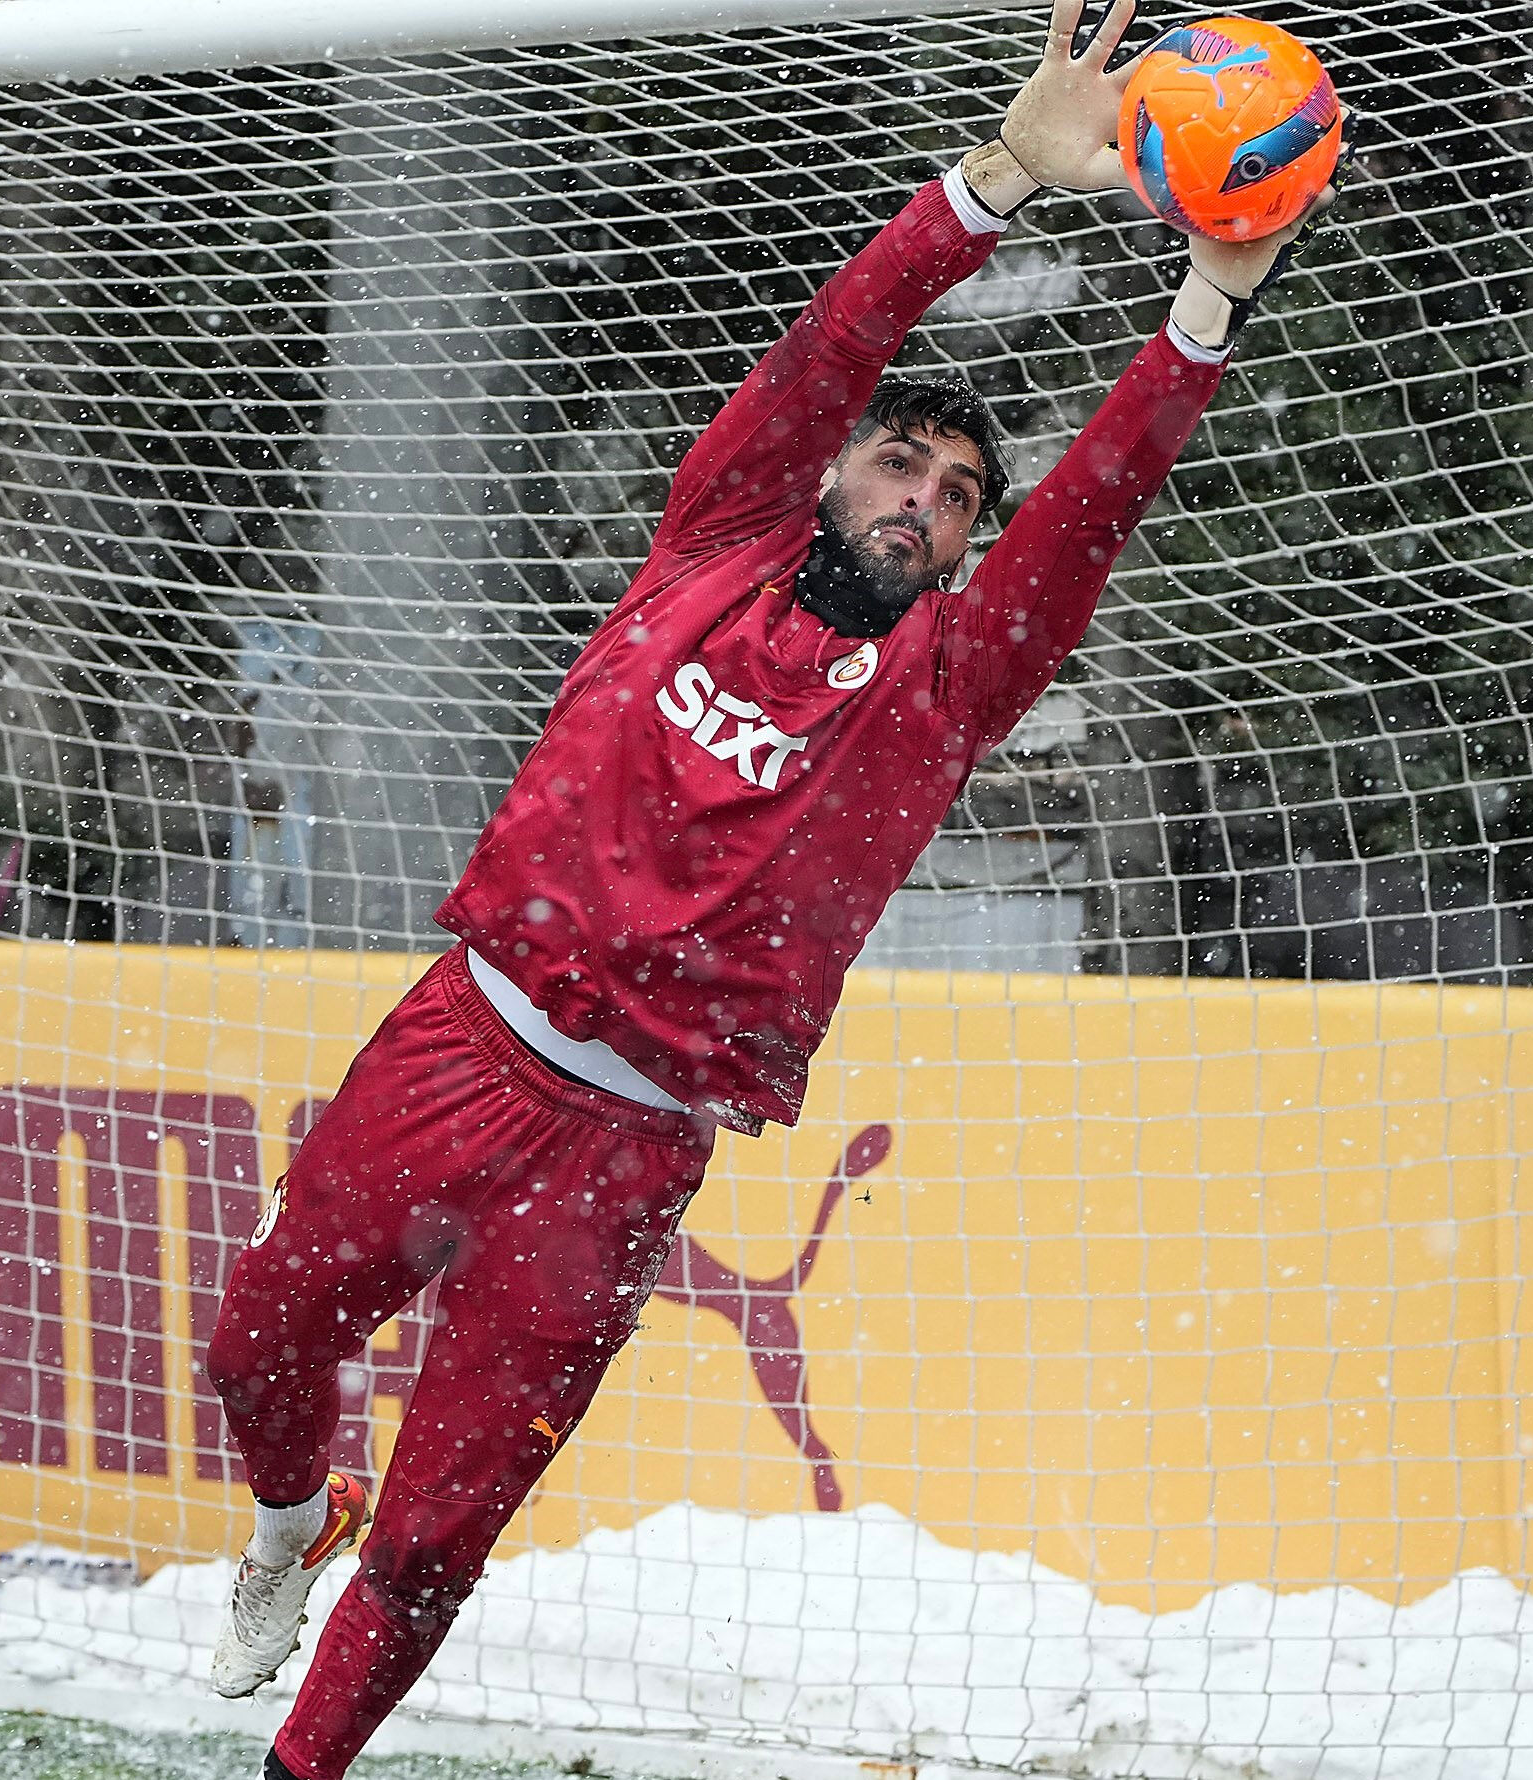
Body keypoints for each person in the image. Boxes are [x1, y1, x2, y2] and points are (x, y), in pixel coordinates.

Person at [204, 3, 1341, 1774]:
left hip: (624, 1150)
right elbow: (837, 343)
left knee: (438, 1542)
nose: (924, 497)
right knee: (254, 1345)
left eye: (958, 495)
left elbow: (1097, 509)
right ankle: (289, 1517)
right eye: (899, 460)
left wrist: (1208, 305)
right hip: (460, 1044)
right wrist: (993, 180)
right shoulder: (714, 541)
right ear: (828, 472)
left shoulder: (950, 687)